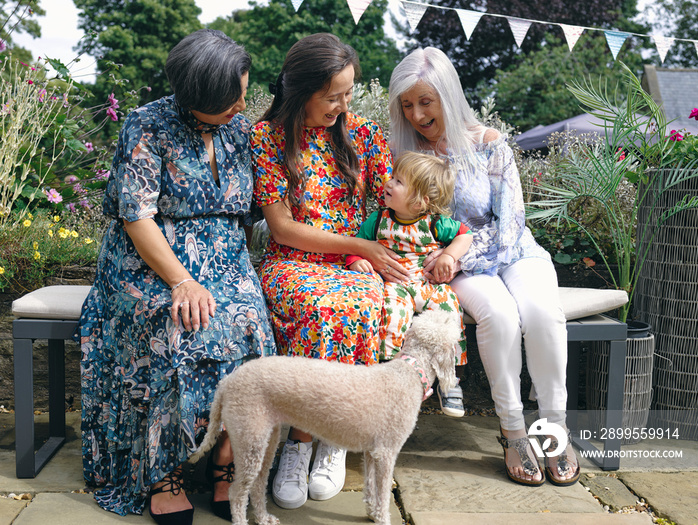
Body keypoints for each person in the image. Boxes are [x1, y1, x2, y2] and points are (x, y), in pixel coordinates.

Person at [75, 29, 276, 525]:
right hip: (150, 260)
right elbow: (136, 216)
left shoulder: (239, 129)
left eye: (243, 94)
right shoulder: (146, 126)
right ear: (195, 97)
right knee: (177, 326)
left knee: (249, 321)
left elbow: (256, 210)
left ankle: (228, 463)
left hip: (225, 256)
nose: (240, 106)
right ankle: (164, 471)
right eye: (229, 100)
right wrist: (182, 281)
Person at [388, 47, 580, 487]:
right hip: (448, 265)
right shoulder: (403, 151)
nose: (416, 114)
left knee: (542, 314)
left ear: (448, 97)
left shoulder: (489, 145)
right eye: (407, 104)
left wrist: (457, 254)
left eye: (425, 101)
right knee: (500, 317)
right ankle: (513, 430)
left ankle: (553, 426)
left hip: (508, 253)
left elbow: (510, 228)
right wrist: (444, 258)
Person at [251, 33, 399, 510]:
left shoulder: (364, 135)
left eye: (349, 94)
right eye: (331, 96)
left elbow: (402, 196)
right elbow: (282, 227)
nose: (341, 105)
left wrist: (436, 239)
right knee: (318, 306)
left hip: (353, 264)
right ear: (300, 91)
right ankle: (298, 441)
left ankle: (334, 438)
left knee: (358, 301)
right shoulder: (267, 137)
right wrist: (361, 244)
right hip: (292, 261)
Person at [346, 151, 471, 417]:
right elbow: (358, 244)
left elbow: (465, 236)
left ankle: (450, 381)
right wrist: (356, 260)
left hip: (430, 284)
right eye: (392, 177)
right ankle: (387, 374)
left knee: (449, 314)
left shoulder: (436, 223)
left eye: (399, 182)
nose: (389, 183)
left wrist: (449, 255)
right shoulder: (378, 221)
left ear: (421, 201)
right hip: (395, 285)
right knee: (390, 317)